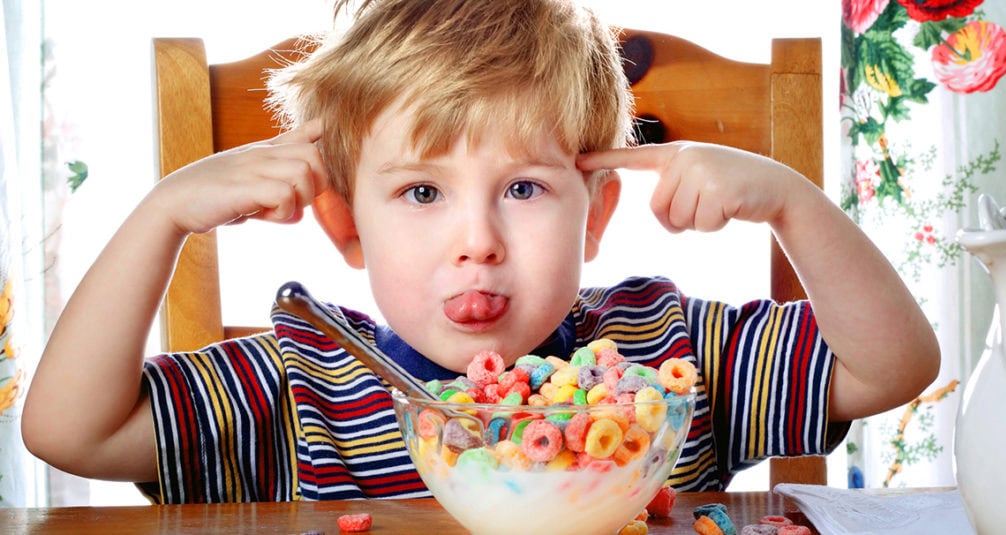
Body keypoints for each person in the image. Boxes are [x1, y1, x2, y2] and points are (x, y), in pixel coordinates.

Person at [22, 0, 939, 503]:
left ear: (593, 215)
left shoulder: (665, 358)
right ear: (345, 225)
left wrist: (794, 203)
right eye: (422, 193)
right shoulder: (303, 387)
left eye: (525, 189)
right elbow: (68, 433)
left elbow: (896, 365)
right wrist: (160, 218)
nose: (477, 243)